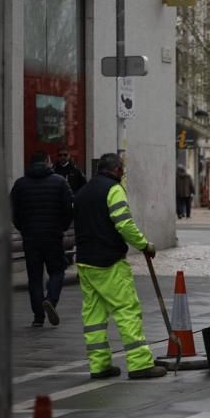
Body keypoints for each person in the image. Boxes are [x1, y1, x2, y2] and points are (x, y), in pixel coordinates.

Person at [73, 152, 165, 379]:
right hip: (109, 262)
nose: (123, 173)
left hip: (85, 262)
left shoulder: (83, 191)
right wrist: (144, 245)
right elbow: (124, 223)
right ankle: (140, 363)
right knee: (127, 310)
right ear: (116, 170)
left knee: (93, 317)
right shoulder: (113, 190)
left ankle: (99, 365)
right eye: (122, 169)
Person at [10, 151, 74, 327]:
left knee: (35, 276)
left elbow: (13, 210)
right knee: (57, 270)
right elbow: (69, 208)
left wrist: (23, 228)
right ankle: (51, 300)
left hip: (31, 237)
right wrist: (62, 227)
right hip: (53, 235)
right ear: (48, 161)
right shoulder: (60, 182)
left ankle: (38, 316)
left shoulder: (20, 184)